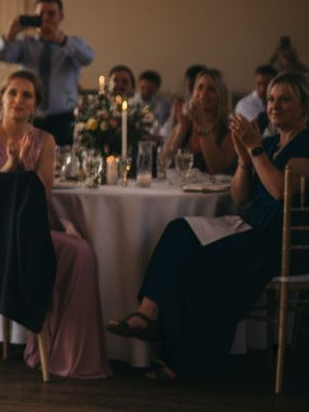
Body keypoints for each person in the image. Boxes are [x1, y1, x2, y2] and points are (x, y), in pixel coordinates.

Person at [108, 72, 309, 380]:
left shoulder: (303, 147)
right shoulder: (269, 143)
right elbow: (240, 196)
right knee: (180, 232)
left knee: (198, 261)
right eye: (270, 99)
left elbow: (281, 193)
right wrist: (244, 159)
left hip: (278, 240)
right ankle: (147, 314)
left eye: (284, 99)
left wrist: (254, 150)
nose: (274, 106)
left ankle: (183, 362)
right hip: (251, 226)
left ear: (304, 108)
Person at [0, 70, 110, 379]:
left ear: (36, 104)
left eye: (27, 95)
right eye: (13, 93)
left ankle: (68, 352)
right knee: (77, 252)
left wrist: (27, 166)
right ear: (1, 98)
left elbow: (43, 197)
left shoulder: (45, 140)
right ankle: (55, 351)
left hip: (33, 226)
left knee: (82, 252)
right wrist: (11, 164)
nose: (18, 100)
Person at [0, 0, 95, 145]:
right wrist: (10, 34)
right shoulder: (25, 44)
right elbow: (0, 55)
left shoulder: (72, 44)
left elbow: (87, 57)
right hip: (31, 117)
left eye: (51, 13)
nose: (46, 18)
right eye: (41, 14)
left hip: (64, 118)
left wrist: (59, 39)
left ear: (61, 16)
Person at [162, 68, 237, 175]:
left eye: (211, 89)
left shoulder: (229, 129)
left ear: (221, 95)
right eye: (200, 87)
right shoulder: (186, 124)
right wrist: (182, 128)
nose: (203, 93)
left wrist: (202, 125)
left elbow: (217, 169)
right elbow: (164, 161)